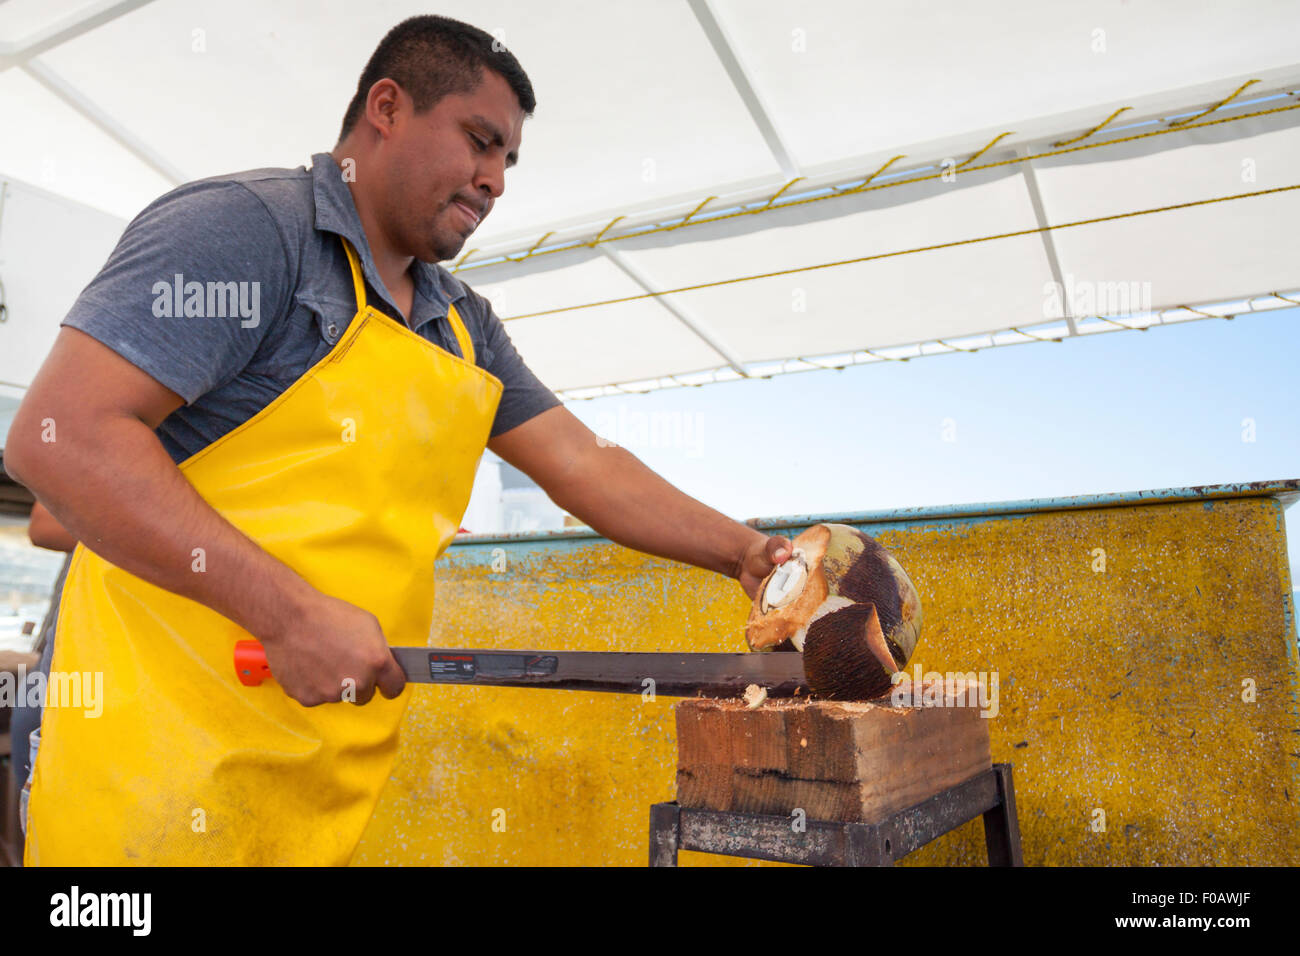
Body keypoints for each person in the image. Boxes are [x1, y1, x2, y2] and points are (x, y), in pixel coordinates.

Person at [3, 14, 791, 865]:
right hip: (153, 796)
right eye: (480, 141)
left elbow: (583, 464)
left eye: (508, 162)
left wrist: (742, 553)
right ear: (386, 106)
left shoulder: (462, 323)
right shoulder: (248, 232)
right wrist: (290, 614)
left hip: (327, 796)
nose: (493, 181)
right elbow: (60, 439)